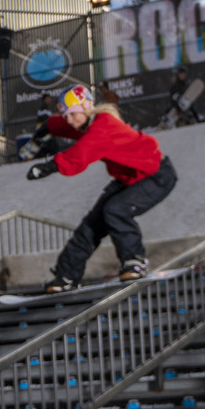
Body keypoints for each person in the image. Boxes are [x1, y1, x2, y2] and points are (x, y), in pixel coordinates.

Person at [25, 84, 176, 291]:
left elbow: (81, 153)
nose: (70, 121)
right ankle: (66, 276)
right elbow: (70, 126)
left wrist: (49, 166)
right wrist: (49, 126)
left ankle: (134, 261)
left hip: (156, 174)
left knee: (116, 209)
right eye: (66, 116)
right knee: (91, 225)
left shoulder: (103, 126)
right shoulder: (88, 122)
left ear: (86, 108)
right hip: (129, 178)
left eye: (72, 115)